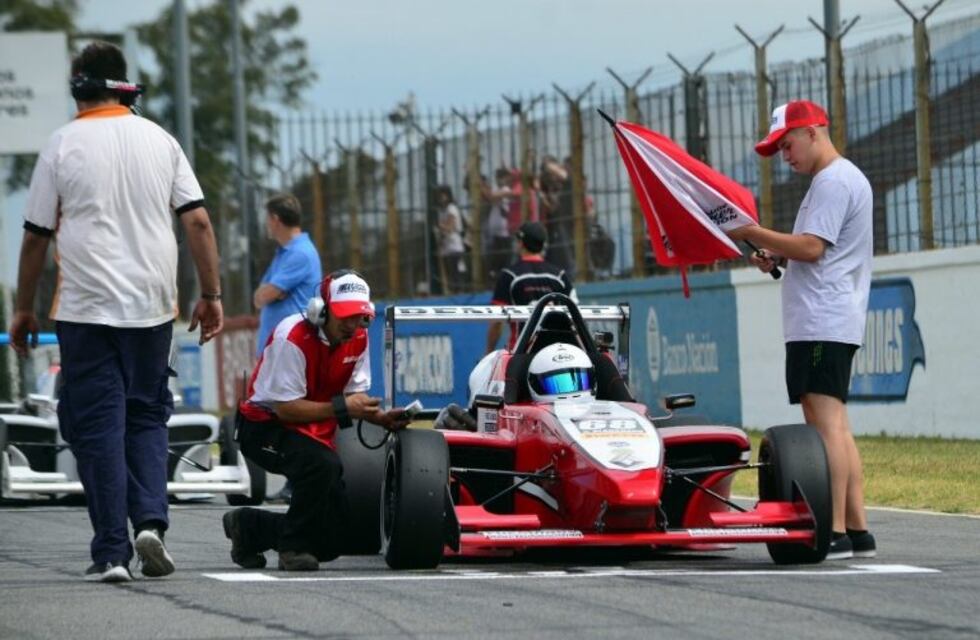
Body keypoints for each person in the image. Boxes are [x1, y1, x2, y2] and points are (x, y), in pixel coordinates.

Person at [7, 41, 223, 582]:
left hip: (84, 308)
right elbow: (197, 221)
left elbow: (35, 238)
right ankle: (150, 522)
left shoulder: (62, 144)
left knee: (97, 422)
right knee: (146, 414)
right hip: (151, 305)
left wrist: (23, 309)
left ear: (79, 85)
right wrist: (212, 295)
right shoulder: (160, 140)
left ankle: (110, 552)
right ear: (123, 85)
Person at [726, 100, 875, 561]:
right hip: (828, 317)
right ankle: (856, 530)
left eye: (787, 145)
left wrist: (753, 232)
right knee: (836, 425)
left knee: (825, 426)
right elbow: (814, 250)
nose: (784, 156)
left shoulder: (832, 181)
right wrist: (776, 254)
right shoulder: (835, 180)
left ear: (813, 132)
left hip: (822, 319)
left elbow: (812, 248)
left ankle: (834, 530)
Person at [222, 270, 409, 571]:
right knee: (321, 465)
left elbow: (354, 397)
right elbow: (286, 410)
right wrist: (343, 408)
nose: (353, 325)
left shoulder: (359, 338)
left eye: (359, 316)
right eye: (345, 316)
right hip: (263, 428)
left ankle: (248, 526)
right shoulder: (292, 337)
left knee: (336, 538)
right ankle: (292, 548)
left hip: (310, 433)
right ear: (321, 311)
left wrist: (383, 418)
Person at [253, 193, 322, 504]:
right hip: (278, 349)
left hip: (293, 348)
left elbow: (265, 294)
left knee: (293, 415)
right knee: (281, 416)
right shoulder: (284, 253)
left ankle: (300, 481)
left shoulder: (300, 253)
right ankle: (295, 479)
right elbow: (261, 295)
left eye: (268, 219)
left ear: (276, 219)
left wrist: (271, 293)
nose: (267, 224)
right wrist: (269, 293)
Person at [485, 222, 576, 354]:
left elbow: (496, 322)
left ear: (521, 243)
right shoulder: (560, 276)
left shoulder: (509, 275)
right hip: (557, 353)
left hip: (520, 354)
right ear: (543, 244)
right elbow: (575, 317)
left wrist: (488, 352)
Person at [434, 185, 467, 294]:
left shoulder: (451, 208)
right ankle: (455, 290)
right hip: (447, 246)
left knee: (455, 271)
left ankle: (459, 291)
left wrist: (440, 226)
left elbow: (450, 227)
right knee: (451, 271)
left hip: (455, 245)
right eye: (439, 195)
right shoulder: (442, 210)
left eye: (443, 195)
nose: (441, 198)